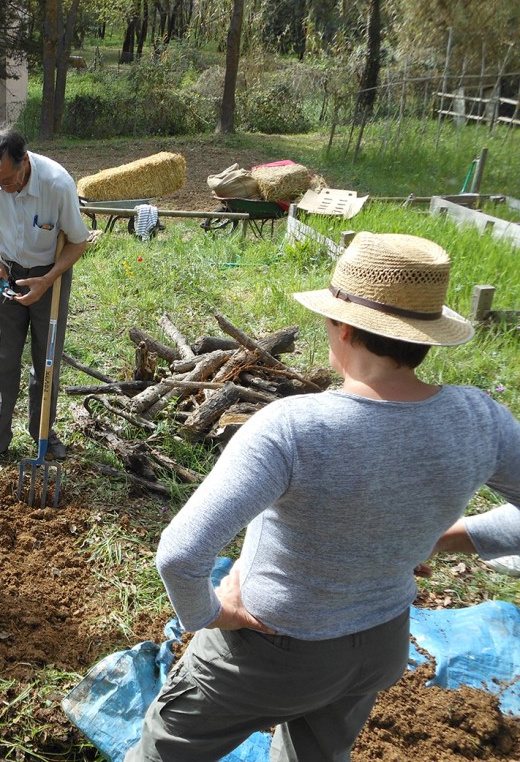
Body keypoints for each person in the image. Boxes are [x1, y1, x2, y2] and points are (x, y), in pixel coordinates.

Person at [127, 232, 520, 762]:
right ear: (427, 336)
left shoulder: (294, 428)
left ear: (341, 327)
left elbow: (179, 553)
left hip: (271, 649)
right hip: (381, 645)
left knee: (165, 751)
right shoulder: (481, 418)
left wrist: (209, 614)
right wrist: (432, 542)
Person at [0, 128, 89, 470]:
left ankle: (43, 435)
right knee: (3, 360)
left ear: (25, 160)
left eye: (10, 180)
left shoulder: (57, 184)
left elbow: (78, 241)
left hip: (50, 273)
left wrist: (47, 280)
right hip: (7, 271)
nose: (6, 188)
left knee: (46, 361)